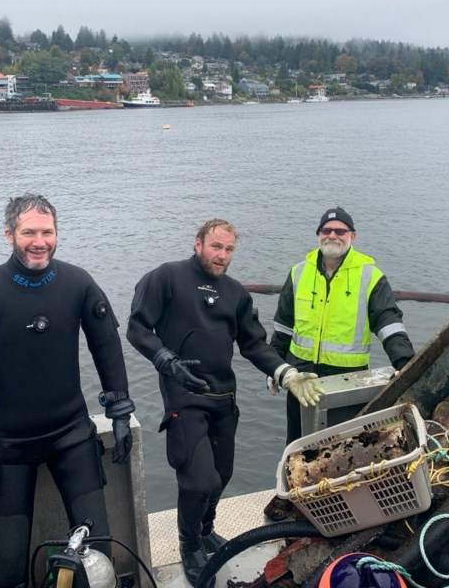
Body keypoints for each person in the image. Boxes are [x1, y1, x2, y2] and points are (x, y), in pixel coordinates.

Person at [0, 193, 135, 588]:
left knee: (96, 552)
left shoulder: (78, 283)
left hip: (71, 437)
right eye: (28, 232)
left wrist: (119, 411)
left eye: (47, 231)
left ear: (57, 233)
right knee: (8, 565)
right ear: (9, 234)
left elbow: (107, 347)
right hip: (8, 446)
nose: (39, 241)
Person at [126, 218, 324, 586]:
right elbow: (137, 327)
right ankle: (189, 547)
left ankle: (205, 530)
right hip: (184, 397)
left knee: (222, 476)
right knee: (198, 479)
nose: (222, 256)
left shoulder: (235, 293)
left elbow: (252, 344)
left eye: (229, 249)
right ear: (198, 243)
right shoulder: (166, 278)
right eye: (215, 247)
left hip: (223, 398)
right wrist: (165, 359)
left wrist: (286, 373)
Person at [263, 206, 416, 521]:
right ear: (319, 235)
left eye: (340, 231)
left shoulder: (369, 276)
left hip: (345, 380)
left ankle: (338, 507)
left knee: (341, 448)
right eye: (327, 231)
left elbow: (389, 324)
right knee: (297, 443)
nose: (332, 236)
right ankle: (292, 500)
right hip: (300, 377)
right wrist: (275, 368)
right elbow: (282, 328)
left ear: (352, 237)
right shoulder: (298, 273)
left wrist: (406, 364)